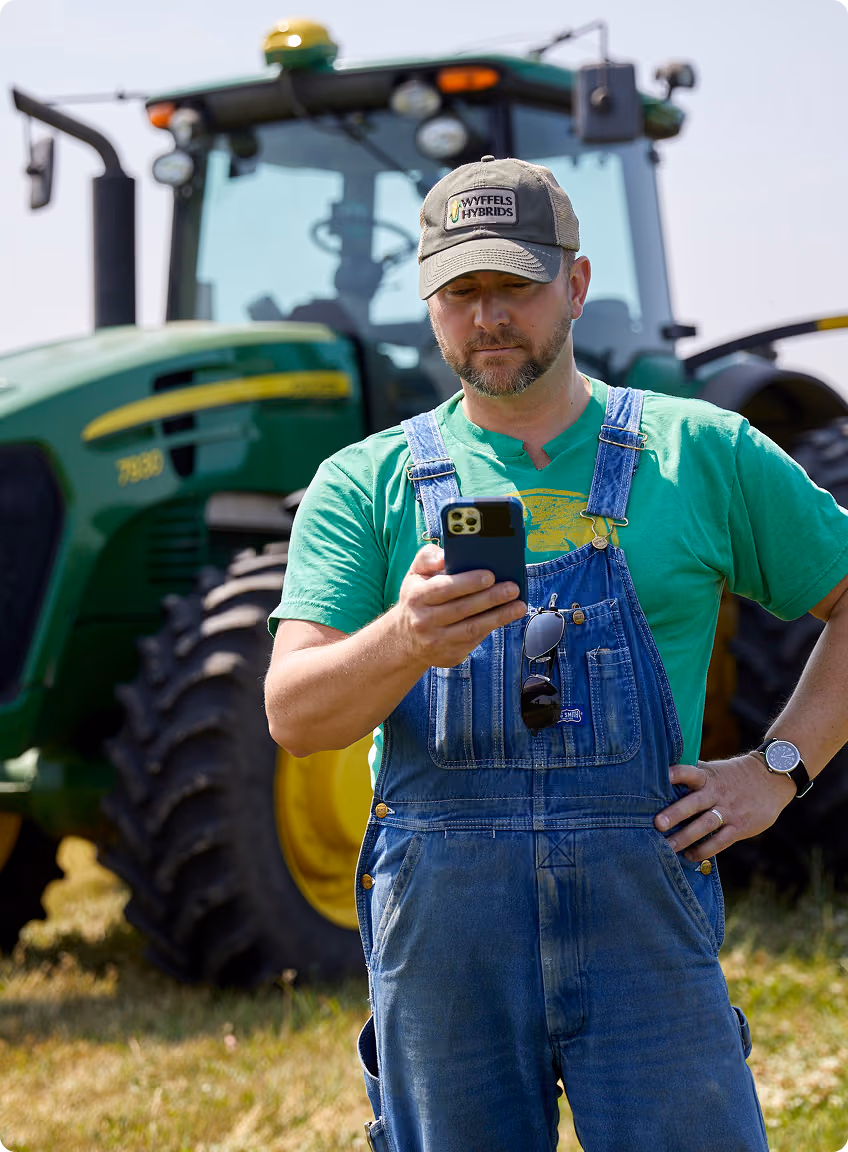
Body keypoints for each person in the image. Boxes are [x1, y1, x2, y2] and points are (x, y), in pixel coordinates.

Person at [264, 156, 848, 1152]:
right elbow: (295, 714)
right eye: (460, 291)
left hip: (643, 912)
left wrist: (778, 768)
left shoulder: (702, 452)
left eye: (513, 285)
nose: (487, 315)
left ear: (573, 285)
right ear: (429, 306)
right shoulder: (362, 483)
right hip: (442, 932)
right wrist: (403, 638)